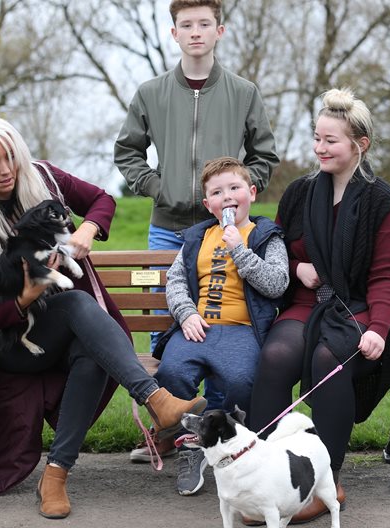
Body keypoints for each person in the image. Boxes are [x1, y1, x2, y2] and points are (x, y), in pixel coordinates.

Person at [0, 115, 206, 520]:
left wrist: (87, 229)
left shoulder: (45, 180)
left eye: (10, 157)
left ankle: (56, 474)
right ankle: (158, 401)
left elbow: (104, 200)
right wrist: (23, 297)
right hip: (14, 341)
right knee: (77, 306)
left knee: (90, 349)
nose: (6, 170)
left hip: (67, 329)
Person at [114, 0, 280, 462]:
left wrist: (237, 196)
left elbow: (264, 156)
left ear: (219, 30)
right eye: (186, 25)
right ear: (174, 33)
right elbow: (127, 152)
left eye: (204, 24)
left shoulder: (244, 92)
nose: (195, 32)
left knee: (226, 325)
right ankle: (168, 432)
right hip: (168, 230)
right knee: (169, 329)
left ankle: (219, 437)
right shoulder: (150, 92)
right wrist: (157, 187)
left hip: (225, 230)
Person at [248, 88, 390, 524]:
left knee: (328, 357)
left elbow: (385, 276)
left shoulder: (383, 203)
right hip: (306, 301)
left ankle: (326, 480)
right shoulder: (300, 192)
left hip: (359, 308)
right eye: (316, 138)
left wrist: (377, 327)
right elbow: (278, 249)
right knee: (277, 355)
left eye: (331, 140)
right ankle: (261, 474)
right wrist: (299, 268)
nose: (320, 147)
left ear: (361, 145)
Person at [153, 157, 288, 495]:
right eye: (217, 192)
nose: (227, 196)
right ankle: (190, 448)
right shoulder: (198, 237)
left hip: (241, 330)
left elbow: (277, 283)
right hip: (197, 327)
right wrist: (186, 313)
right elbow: (175, 281)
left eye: (234, 188)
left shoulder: (265, 235)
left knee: (242, 382)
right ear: (208, 204)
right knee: (171, 373)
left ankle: (232, 447)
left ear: (251, 193)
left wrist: (240, 251)